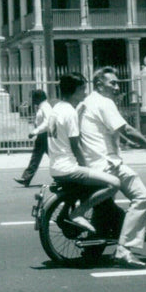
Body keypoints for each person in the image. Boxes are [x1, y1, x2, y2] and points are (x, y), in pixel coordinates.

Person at [77, 66, 146, 269]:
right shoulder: (105, 102)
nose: (117, 87)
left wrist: (125, 141)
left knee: (105, 208)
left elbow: (109, 129)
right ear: (99, 84)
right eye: (112, 83)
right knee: (142, 197)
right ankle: (125, 251)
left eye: (117, 83)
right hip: (107, 164)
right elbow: (126, 128)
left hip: (89, 163)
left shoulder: (87, 101)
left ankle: (92, 249)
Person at [47, 73, 121, 235]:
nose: (85, 93)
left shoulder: (57, 109)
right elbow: (76, 146)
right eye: (82, 89)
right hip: (69, 169)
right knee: (114, 183)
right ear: (74, 91)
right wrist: (87, 167)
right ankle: (78, 213)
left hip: (56, 167)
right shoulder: (70, 113)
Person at [14, 90, 53, 187]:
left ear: (38, 98)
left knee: (52, 158)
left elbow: (48, 122)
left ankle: (62, 176)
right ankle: (26, 178)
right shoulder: (42, 107)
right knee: (36, 157)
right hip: (42, 136)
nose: (32, 100)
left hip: (45, 135)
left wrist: (35, 131)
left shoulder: (46, 107)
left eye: (34, 98)